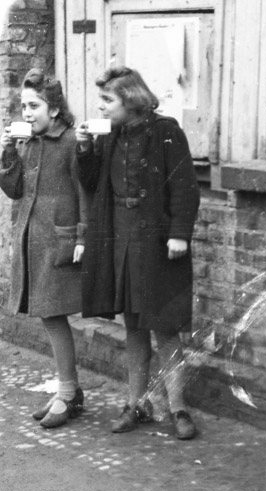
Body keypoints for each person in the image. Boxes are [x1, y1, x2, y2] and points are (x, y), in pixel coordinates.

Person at [75, 66, 200, 440]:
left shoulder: (166, 132)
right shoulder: (109, 135)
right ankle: (137, 403)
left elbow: (185, 187)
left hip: (158, 241)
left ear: (130, 100)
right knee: (133, 325)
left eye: (107, 100)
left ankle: (178, 407)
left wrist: (180, 234)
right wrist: (84, 148)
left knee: (164, 326)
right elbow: (93, 183)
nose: (101, 107)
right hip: (120, 238)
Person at [0, 69, 88, 429]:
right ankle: (69, 391)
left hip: (60, 240)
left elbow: (87, 193)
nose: (27, 112)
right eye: (23, 105)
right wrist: (7, 151)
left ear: (54, 109)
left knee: (54, 314)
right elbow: (15, 191)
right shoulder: (27, 142)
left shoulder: (71, 142)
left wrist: (82, 238)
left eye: (34, 105)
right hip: (31, 240)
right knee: (48, 315)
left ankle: (68, 394)